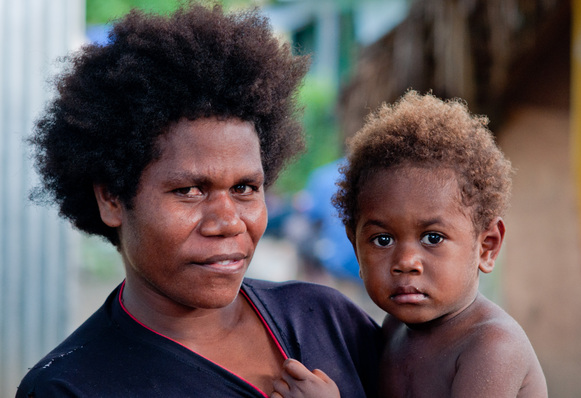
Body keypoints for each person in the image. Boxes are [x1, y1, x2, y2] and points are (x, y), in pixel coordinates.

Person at [16, 3, 381, 397]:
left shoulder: (325, 320)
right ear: (111, 199)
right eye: (189, 191)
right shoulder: (70, 388)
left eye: (244, 188)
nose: (228, 222)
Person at [270, 91, 548, 397]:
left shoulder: (492, 346)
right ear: (356, 247)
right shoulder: (394, 331)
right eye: (383, 239)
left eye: (433, 238)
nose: (406, 261)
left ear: (487, 246)